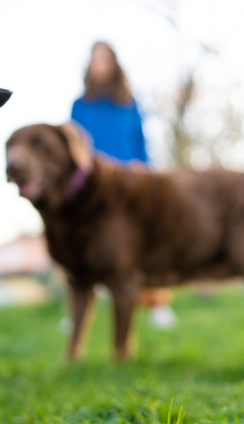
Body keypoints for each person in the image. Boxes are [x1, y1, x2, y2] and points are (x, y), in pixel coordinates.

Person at [71, 41, 176, 329]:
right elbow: (76, 148)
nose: (99, 63)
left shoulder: (128, 103)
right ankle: (80, 313)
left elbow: (140, 142)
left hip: (129, 184)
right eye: (95, 58)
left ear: (114, 64)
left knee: (143, 244)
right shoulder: (80, 106)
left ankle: (157, 304)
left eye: (104, 58)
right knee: (87, 245)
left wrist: (148, 179)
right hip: (94, 188)